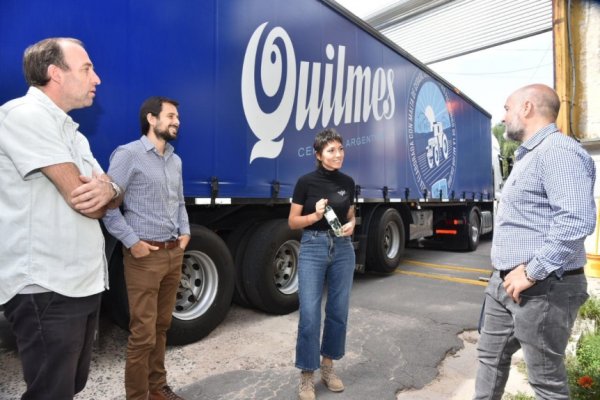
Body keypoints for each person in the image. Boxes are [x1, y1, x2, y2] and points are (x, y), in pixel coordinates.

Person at [0, 37, 122, 399]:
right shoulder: (25, 116)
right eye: (87, 69)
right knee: (50, 392)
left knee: (70, 385)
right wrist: (105, 193)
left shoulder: (71, 132)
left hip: (78, 283)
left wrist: (111, 189)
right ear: (55, 73)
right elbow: (85, 201)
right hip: (47, 285)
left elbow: (110, 192)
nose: (96, 78)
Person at [473, 84, 596, 400]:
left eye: (506, 107)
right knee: (489, 360)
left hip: (544, 286)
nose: (503, 117)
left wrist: (531, 271)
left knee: (546, 385)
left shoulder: (558, 151)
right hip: (505, 283)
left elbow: (575, 221)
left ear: (527, 107)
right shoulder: (530, 155)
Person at [102, 96, 191, 400]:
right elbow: (108, 208)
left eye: (177, 116)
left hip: (172, 253)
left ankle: (157, 387)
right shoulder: (128, 155)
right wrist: (132, 243)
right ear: (151, 119)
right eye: (171, 115)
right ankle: (137, 396)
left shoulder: (175, 160)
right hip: (144, 257)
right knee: (142, 334)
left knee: (163, 326)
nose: (176, 121)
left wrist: (185, 233)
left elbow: (179, 202)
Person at [288, 128, 356, 400]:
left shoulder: (348, 182)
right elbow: (292, 222)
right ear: (318, 155)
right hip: (314, 246)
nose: (337, 154)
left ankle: (328, 367)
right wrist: (314, 216)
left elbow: (351, 213)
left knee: (338, 311)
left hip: (342, 248)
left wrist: (351, 225)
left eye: (340, 149)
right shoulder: (305, 182)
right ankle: (307, 374)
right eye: (331, 150)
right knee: (310, 314)